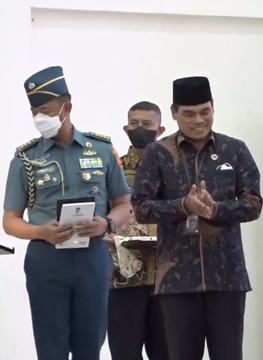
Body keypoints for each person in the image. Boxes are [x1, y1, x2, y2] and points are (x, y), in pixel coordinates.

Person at [2, 65, 132, 360]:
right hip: (46, 261)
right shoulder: (25, 158)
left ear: (67, 106)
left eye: (46, 110)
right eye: (34, 112)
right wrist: (40, 232)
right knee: (51, 348)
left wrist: (107, 223)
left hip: (92, 258)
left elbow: (125, 203)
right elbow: (10, 221)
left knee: (90, 347)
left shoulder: (100, 150)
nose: (39, 119)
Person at [131, 76, 263, 360]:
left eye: (205, 111)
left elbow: (253, 204)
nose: (198, 120)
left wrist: (217, 209)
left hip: (227, 277)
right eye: (189, 114)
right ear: (174, 112)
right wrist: (183, 205)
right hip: (177, 281)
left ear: (213, 107)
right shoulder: (157, 153)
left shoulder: (235, 150)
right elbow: (141, 208)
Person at [106, 101, 168, 360]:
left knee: (167, 352)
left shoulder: (173, 167)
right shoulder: (112, 166)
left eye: (146, 124)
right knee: (124, 352)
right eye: (134, 124)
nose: (139, 129)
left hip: (166, 278)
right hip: (123, 275)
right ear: (125, 127)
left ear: (160, 129)